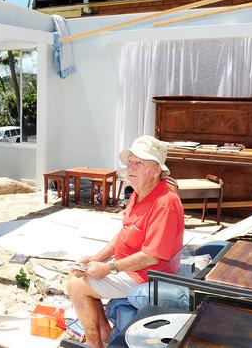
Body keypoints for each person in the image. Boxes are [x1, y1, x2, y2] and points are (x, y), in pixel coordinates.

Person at [66, 135, 184, 347]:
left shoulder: (165, 202)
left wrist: (109, 267)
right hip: (129, 269)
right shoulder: (138, 192)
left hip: (147, 276)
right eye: (130, 162)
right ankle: (103, 332)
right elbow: (125, 232)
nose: (131, 167)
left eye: (139, 163)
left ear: (156, 170)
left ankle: (95, 342)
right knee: (77, 271)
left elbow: (152, 257)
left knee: (75, 285)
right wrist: (96, 258)